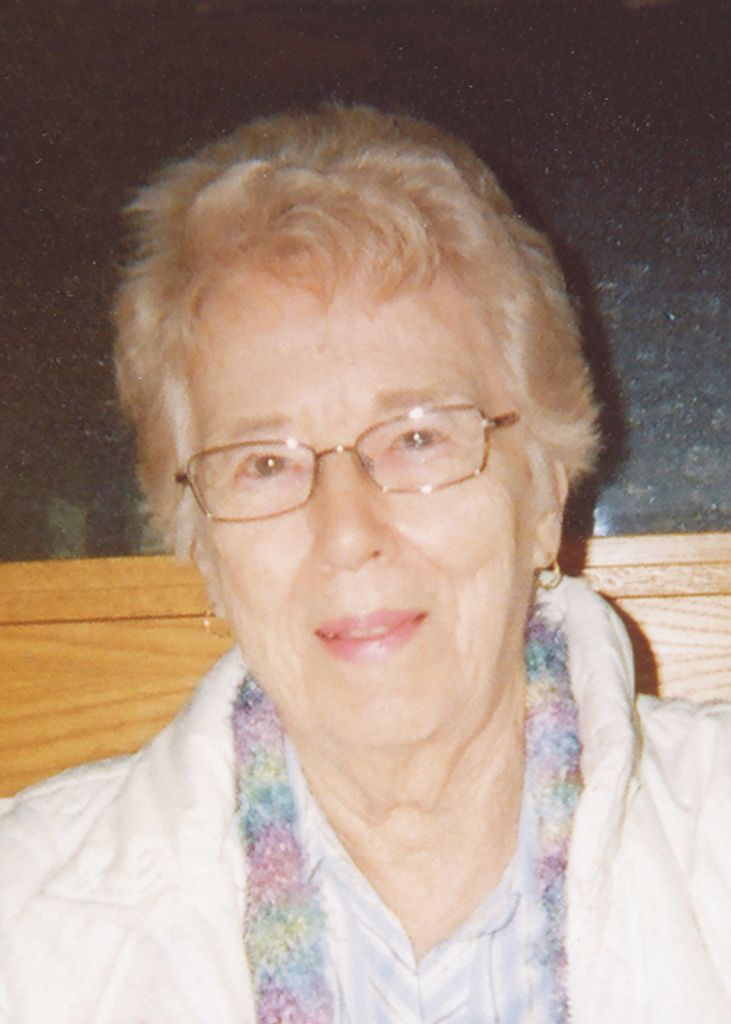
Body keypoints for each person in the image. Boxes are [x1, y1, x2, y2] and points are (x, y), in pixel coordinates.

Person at [1, 105, 729, 1024]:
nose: (346, 532)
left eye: (417, 437)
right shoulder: (23, 922)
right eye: (264, 463)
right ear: (202, 544)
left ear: (544, 496)